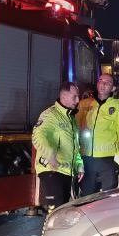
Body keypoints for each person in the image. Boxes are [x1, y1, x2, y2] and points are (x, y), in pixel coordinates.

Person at [76, 73, 119, 195]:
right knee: (86, 202)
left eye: (107, 82)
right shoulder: (84, 104)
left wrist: (117, 162)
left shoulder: (118, 107)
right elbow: (75, 131)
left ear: (113, 88)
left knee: (108, 203)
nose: (102, 84)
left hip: (108, 163)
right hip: (86, 161)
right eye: (100, 80)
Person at [31, 82, 83, 211]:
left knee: (62, 213)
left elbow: (75, 146)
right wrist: (50, 155)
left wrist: (79, 165)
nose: (78, 100)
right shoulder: (50, 115)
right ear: (64, 96)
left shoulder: (71, 119)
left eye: (78, 96)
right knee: (55, 212)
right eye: (74, 96)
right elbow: (37, 136)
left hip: (67, 172)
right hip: (52, 171)